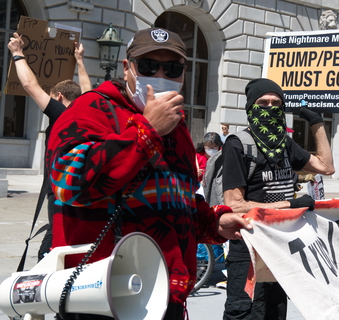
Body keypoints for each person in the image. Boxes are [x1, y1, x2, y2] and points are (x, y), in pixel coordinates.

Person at [46, 27, 251, 320]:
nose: (160, 75)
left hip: (164, 292)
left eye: (172, 68)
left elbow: (179, 200)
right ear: (127, 68)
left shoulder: (177, 127)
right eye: (148, 66)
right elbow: (68, 185)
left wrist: (214, 222)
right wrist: (146, 131)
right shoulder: (90, 109)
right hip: (101, 295)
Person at [221, 78, 335, 320]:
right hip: (250, 252)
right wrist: (286, 206)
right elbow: (234, 204)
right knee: (247, 314)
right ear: (251, 107)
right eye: (263, 103)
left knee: (275, 314)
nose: (270, 107)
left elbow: (326, 167)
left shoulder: (286, 144)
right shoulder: (238, 144)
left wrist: (316, 122)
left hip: (281, 250)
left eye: (276, 103)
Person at [7, 32, 92, 261]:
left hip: (59, 189)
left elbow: (29, 84)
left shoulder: (61, 113)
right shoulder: (88, 113)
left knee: (54, 240)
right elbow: (88, 91)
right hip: (84, 188)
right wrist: (80, 61)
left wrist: (17, 54)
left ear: (59, 96)